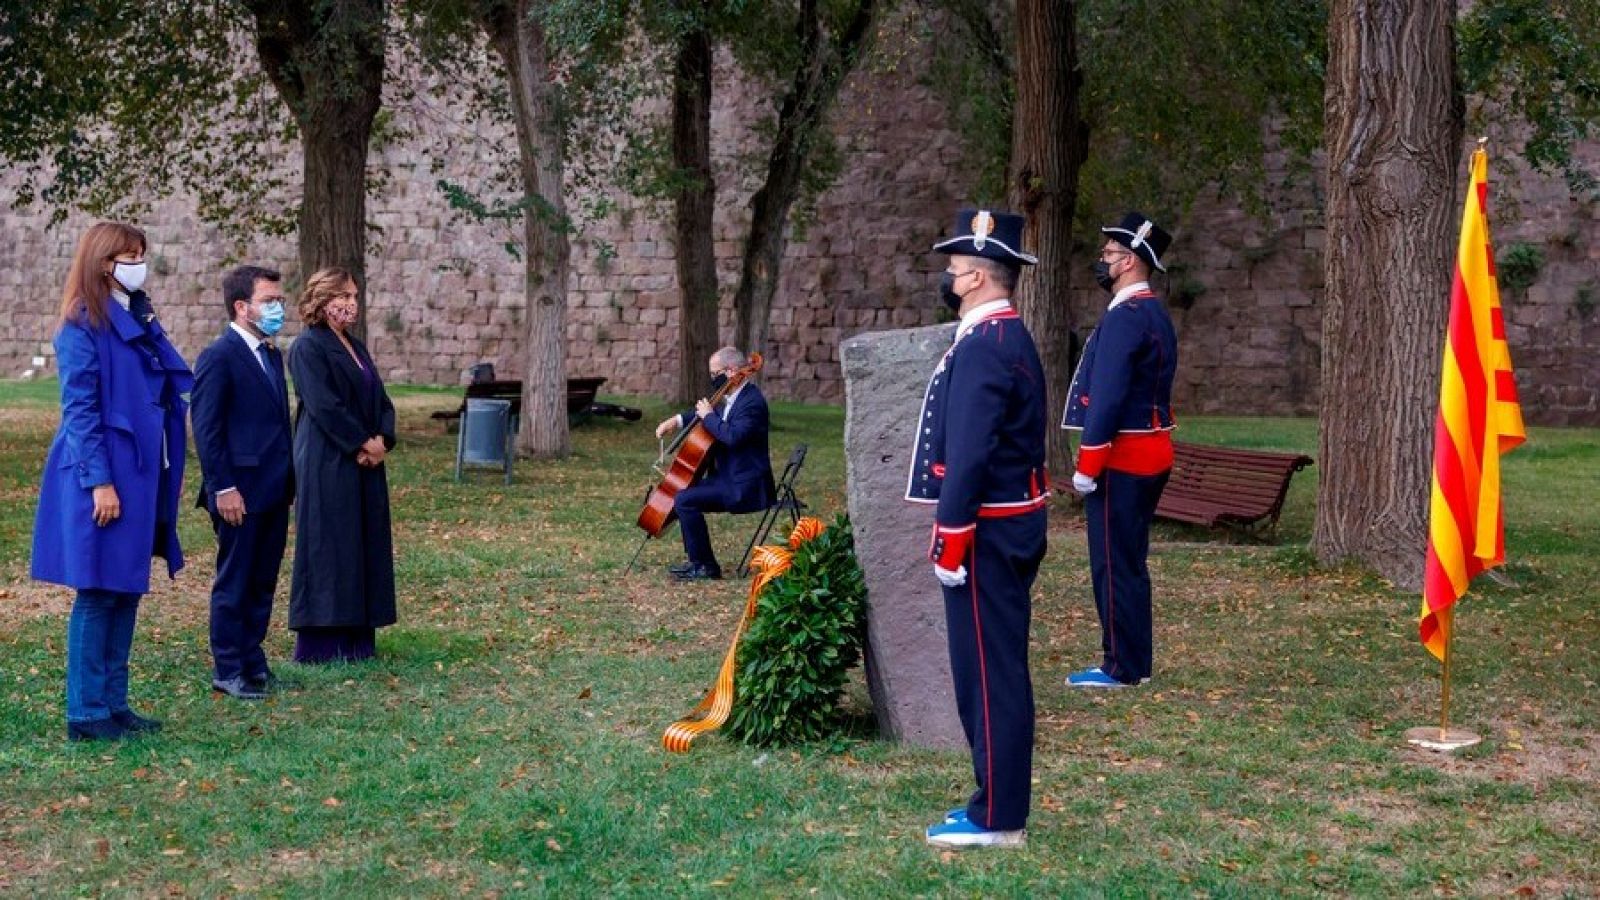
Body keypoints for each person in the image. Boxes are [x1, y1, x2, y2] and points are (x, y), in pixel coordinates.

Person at [910, 209, 1049, 849]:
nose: (946, 277)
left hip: (987, 533)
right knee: (993, 670)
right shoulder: (999, 337)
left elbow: (969, 452)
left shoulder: (989, 345)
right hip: (1003, 526)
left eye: (952, 270)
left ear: (973, 278)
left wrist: (953, 534)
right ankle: (997, 803)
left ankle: (997, 817)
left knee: (988, 677)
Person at [31, 222, 194, 742]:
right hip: (102, 472)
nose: (139, 263)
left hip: (139, 471)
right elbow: (80, 411)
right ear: (105, 263)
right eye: (130, 255)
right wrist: (99, 482)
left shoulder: (134, 317)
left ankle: (114, 703)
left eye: (141, 254)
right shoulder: (81, 325)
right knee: (99, 592)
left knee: (126, 589)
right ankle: (85, 711)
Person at [1062, 211, 1178, 688]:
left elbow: (1107, 396)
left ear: (1129, 262)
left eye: (1108, 254)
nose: (1102, 261)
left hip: (1123, 459)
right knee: (1129, 562)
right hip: (1151, 453)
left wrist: (1089, 462)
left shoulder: (1126, 318)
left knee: (1112, 564)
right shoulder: (1151, 312)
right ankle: (1136, 661)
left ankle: (1120, 666)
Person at [191, 266, 294, 700]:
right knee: (235, 582)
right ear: (242, 306)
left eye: (278, 300)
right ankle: (228, 668)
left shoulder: (271, 353)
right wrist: (223, 487)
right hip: (238, 491)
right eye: (268, 300)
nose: (277, 307)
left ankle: (253, 661)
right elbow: (207, 428)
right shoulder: (220, 355)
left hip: (273, 488)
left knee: (262, 581)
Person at [286, 267, 397, 662]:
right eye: (341, 296)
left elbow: (381, 398)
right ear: (320, 299)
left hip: (366, 463)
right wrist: (360, 442)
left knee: (361, 544)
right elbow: (323, 405)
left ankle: (358, 639)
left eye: (353, 296)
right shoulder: (308, 347)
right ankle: (322, 644)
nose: (349, 303)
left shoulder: (356, 345)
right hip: (328, 461)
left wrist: (383, 439)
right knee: (330, 547)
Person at [652, 347, 775, 580]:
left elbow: (732, 437)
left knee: (684, 500)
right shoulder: (729, 395)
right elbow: (705, 411)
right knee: (684, 496)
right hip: (727, 477)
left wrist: (709, 417)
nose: (712, 379)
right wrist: (675, 421)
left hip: (746, 486)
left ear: (730, 371)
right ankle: (698, 561)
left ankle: (705, 566)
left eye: (714, 373)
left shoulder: (753, 402)